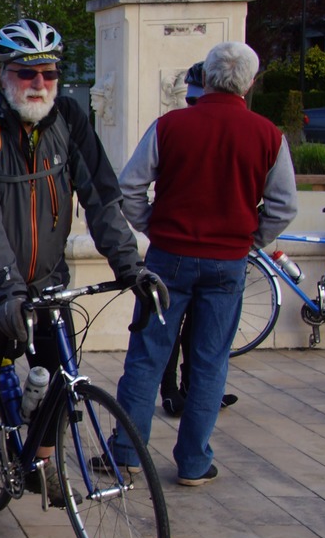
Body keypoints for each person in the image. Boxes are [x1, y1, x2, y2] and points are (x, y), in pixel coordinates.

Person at [0, 18, 164, 538]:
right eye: (25, 72)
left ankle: (41, 462)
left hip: (49, 282)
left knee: (60, 381)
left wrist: (130, 266)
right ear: (0, 71)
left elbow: (103, 197)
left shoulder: (67, 118)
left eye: (49, 72)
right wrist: (6, 284)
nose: (39, 83)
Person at [114, 41, 298, 487]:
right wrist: (253, 238)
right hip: (227, 261)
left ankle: (127, 454)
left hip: (170, 255)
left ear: (206, 77)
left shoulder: (171, 126)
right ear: (249, 82)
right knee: (210, 362)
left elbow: (129, 187)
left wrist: (154, 226)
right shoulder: (268, 135)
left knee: (147, 357)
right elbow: (282, 205)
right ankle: (194, 462)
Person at [159, 61, 238, 416]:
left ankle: (189, 388)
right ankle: (174, 390)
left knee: (191, 335)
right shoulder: (176, 127)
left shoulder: (174, 126)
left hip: (184, 246)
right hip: (203, 248)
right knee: (170, 334)